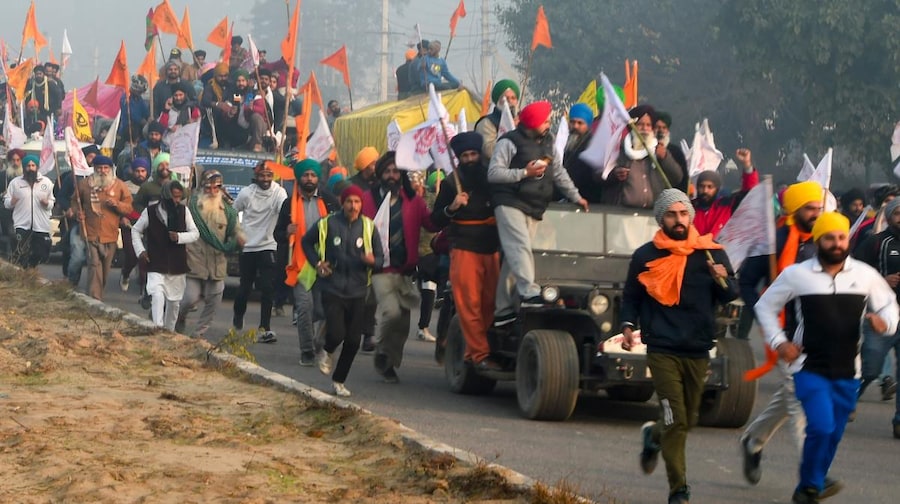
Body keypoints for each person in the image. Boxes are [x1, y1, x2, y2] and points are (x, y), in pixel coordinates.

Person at [754, 211, 898, 503]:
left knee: (832, 433)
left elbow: (889, 308)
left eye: (841, 237)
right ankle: (809, 486)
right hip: (808, 367)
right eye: (829, 238)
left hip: (849, 371)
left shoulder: (864, 275)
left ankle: (810, 483)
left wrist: (886, 324)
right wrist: (780, 343)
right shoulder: (797, 275)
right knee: (819, 426)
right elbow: (765, 306)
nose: (836, 243)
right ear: (818, 241)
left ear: (847, 240)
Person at [620, 189, 738, 504]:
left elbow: (730, 295)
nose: (679, 220)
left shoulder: (711, 252)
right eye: (671, 215)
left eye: (683, 214)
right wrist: (628, 326)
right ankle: (679, 490)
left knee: (689, 419)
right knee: (676, 419)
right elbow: (631, 296)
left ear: (691, 216)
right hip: (662, 348)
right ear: (661, 218)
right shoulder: (646, 255)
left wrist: (722, 278)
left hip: (698, 348)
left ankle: (652, 436)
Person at [738, 180, 825, 485]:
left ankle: (753, 441)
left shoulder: (826, 239)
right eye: (809, 208)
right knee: (800, 398)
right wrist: (763, 312)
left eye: (819, 207)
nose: (816, 213)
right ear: (794, 210)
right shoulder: (773, 242)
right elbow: (746, 281)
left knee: (789, 399)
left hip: (819, 332)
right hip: (784, 334)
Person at [487, 101, 587, 327]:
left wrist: (576, 196)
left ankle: (502, 310)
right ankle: (530, 293)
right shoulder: (509, 142)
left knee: (514, 259)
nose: (548, 123)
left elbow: (558, 172)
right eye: (545, 120)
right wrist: (524, 172)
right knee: (520, 247)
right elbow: (494, 173)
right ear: (532, 123)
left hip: (534, 206)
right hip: (509, 202)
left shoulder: (548, 142)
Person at [361, 152, 438, 383]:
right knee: (391, 313)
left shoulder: (413, 200)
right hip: (379, 268)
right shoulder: (368, 199)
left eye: (396, 171)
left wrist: (449, 207)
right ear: (380, 174)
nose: (392, 176)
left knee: (403, 324)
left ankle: (388, 363)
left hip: (405, 270)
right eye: (387, 171)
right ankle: (381, 350)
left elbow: (432, 223)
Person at [302, 185, 384, 397]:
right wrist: (318, 263)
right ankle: (327, 350)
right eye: (349, 201)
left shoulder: (368, 226)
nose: (353, 206)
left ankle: (339, 381)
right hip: (332, 287)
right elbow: (306, 242)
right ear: (343, 203)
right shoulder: (327, 223)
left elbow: (381, 259)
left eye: (357, 202)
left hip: (358, 291)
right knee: (337, 332)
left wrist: (372, 261)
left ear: (361, 204)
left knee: (354, 341)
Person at [430, 132, 501, 369]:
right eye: (465, 156)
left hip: (492, 247)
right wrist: (452, 207)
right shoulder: (452, 182)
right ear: (459, 158)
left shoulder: (491, 177)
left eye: (473, 154)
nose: (470, 159)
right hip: (464, 247)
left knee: (490, 303)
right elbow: (435, 220)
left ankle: (473, 352)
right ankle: (480, 355)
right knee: (469, 303)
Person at [274, 159, 339, 365]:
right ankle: (307, 351)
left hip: (325, 264)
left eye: (313, 175)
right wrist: (287, 232)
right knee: (304, 307)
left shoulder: (328, 201)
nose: (309, 179)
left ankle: (319, 342)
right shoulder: (288, 204)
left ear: (318, 178)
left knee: (325, 310)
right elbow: (277, 234)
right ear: (299, 178)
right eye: (305, 175)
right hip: (300, 264)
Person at [177, 170, 244, 337]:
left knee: (213, 300)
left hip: (216, 264)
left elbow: (235, 232)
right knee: (189, 299)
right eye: (209, 187)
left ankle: (198, 334)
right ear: (202, 187)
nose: (213, 191)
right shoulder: (190, 207)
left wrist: (239, 239)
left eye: (217, 187)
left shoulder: (228, 211)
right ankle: (179, 319)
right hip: (194, 261)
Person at [854, 196, 900, 433]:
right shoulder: (876, 242)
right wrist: (883, 280)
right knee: (871, 368)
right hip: (880, 315)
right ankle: (847, 401)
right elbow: (854, 271)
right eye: (898, 214)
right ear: (890, 216)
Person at [131, 180, 200, 330]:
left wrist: (180, 237)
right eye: (174, 197)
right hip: (156, 262)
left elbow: (195, 234)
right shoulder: (150, 211)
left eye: (179, 197)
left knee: (174, 303)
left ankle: (169, 331)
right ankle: (157, 328)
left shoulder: (184, 211)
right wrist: (140, 251)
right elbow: (136, 230)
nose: (176, 201)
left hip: (177, 265)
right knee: (157, 295)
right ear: (165, 195)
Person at [232, 162, 288, 343]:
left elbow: (283, 210)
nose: (265, 179)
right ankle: (238, 316)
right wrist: (237, 233)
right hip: (248, 246)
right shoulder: (246, 193)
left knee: (267, 287)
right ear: (256, 176)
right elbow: (233, 213)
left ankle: (265, 328)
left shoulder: (279, 192)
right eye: (262, 175)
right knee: (244, 288)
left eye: (269, 175)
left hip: (269, 245)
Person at [72, 155, 133, 300]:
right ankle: (94, 299)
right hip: (90, 232)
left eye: (106, 168)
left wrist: (117, 204)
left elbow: (129, 207)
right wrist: (77, 213)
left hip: (110, 234)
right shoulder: (85, 184)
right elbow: (75, 201)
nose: (102, 171)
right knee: (94, 265)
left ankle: (98, 292)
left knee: (105, 269)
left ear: (111, 169)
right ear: (94, 169)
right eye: (99, 168)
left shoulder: (119, 185)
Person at [601, 104, 684, 208]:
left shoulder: (659, 150)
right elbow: (599, 175)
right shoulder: (619, 149)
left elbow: (677, 177)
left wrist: (665, 158)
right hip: (622, 214)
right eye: (640, 124)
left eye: (648, 125)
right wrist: (614, 174)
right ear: (633, 126)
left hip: (652, 215)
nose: (644, 129)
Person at [691, 148, 759, 238]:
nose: (705, 190)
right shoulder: (688, 210)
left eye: (710, 187)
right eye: (702, 186)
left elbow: (750, 193)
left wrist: (747, 164)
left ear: (717, 189)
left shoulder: (727, 206)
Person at [2, 155, 54, 268]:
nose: (30, 168)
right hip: (21, 224)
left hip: (41, 225)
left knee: (41, 254)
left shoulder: (46, 182)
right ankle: (24, 273)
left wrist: (47, 203)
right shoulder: (16, 183)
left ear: (37, 167)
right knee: (20, 252)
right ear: (24, 167)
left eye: (33, 165)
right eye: (28, 166)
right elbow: (6, 202)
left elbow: (52, 203)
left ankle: (31, 267)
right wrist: (12, 201)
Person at [560, 102, 601, 203]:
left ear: (588, 125)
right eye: (572, 122)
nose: (575, 126)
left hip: (587, 203)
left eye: (580, 123)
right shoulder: (569, 143)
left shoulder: (593, 146)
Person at [120, 158, 150, 293]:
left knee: (145, 257)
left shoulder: (151, 186)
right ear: (132, 171)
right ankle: (125, 274)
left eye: (143, 171)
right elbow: (119, 205)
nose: (140, 174)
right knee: (131, 255)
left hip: (148, 226)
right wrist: (122, 217)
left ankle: (144, 290)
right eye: (137, 171)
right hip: (130, 226)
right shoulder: (124, 186)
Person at [474, 79, 520, 160]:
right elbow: (489, 151)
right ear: (498, 101)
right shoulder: (486, 123)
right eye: (506, 98)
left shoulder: (522, 121)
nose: (510, 101)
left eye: (513, 98)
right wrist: (510, 129)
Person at [654, 112, 689, 193]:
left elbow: (682, 180)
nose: (661, 130)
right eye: (658, 127)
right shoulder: (645, 149)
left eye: (664, 127)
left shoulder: (676, 152)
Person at [0, 149, 25, 255]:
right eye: (13, 160)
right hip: (7, 212)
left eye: (18, 160)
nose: (16, 163)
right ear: (9, 161)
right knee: (10, 234)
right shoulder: (3, 176)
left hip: (23, 211)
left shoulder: (26, 175)